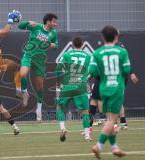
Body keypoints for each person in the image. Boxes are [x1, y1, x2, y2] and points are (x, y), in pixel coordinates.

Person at [89, 25, 131, 159]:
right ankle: (98, 146)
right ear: (116, 37)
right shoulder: (122, 52)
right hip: (116, 88)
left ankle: (114, 147)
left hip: (103, 88)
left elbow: (93, 72)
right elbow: (127, 70)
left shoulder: (96, 53)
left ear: (103, 37)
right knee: (112, 120)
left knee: (109, 119)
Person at [18, 13, 58, 121]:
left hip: (40, 59)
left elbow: (56, 45)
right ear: (48, 21)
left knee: (39, 86)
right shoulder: (36, 26)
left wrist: (54, 45)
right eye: (54, 21)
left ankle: (39, 109)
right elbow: (20, 26)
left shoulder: (54, 33)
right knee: (22, 74)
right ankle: (25, 93)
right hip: (29, 55)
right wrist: (28, 22)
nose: (56, 24)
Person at [55, 37, 91, 142]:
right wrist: (87, 77)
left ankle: (63, 128)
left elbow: (58, 68)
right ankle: (87, 135)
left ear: (73, 44)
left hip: (67, 85)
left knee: (60, 107)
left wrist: (58, 81)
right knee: (85, 112)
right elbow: (92, 70)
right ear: (82, 44)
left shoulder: (67, 55)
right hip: (80, 86)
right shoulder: (88, 56)